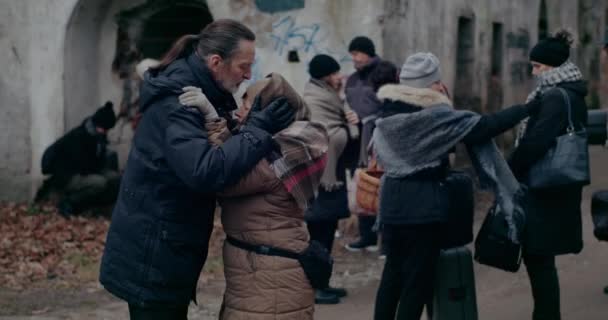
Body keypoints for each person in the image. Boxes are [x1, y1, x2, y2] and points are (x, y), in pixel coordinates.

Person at [98, 19, 296, 320]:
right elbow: (205, 170)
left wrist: (237, 121)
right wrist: (257, 130)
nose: (248, 74)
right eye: (243, 66)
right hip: (154, 249)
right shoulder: (179, 102)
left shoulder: (203, 91)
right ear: (216, 62)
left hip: (165, 243)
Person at [372, 52, 541, 320]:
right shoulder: (434, 115)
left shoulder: (386, 112)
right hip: (422, 208)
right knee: (418, 281)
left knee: (392, 274)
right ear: (430, 84)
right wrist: (525, 110)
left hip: (391, 205)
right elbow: (484, 127)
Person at [179, 73, 328, 319]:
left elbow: (223, 177)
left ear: (270, 111)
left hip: (273, 279)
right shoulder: (269, 145)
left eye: (247, 105)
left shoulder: (279, 156)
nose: (239, 112)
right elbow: (239, 151)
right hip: (262, 271)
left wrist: (212, 120)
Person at [508, 29, 588, 320]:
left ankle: (546, 315)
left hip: (545, 185)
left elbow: (537, 141)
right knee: (543, 256)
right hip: (560, 183)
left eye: (538, 66)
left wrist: (510, 168)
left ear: (552, 66)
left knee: (538, 256)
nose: (534, 71)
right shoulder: (572, 91)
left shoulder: (553, 96)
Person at [303, 54, 358, 304]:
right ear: (325, 76)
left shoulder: (333, 97)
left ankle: (323, 283)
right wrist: (347, 128)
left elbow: (340, 128)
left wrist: (349, 124)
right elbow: (322, 135)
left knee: (327, 231)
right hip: (319, 178)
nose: (340, 76)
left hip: (330, 176)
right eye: (336, 73)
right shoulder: (314, 99)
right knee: (318, 234)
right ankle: (314, 288)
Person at [37, 101, 120, 216]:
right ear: (97, 124)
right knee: (100, 183)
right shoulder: (80, 136)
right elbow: (84, 166)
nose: (105, 132)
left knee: (116, 179)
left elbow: (96, 162)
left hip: (84, 171)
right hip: (67, 175)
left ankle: (96, 208)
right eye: (104, 128)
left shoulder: (97, 136)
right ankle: (69, 204)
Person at [344, 36, 384, 252]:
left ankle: (384, 239)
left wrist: (366, 119)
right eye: (352, 54)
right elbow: (348, 102)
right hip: (357, 139)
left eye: (357, 53)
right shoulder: (351, 79)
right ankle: (366, 236)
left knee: (381, 185)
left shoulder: (383, 73)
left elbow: (387, 106)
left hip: (378, 138)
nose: (355, 58)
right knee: (363, 186)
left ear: (368, 53)